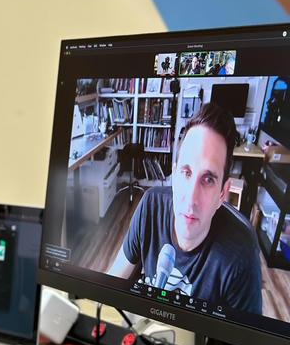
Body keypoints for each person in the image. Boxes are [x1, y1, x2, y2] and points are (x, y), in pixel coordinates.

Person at [107, 102, 262, 317]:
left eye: (208, 179)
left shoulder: (241, 255)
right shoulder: (150, 205)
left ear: (222, 194)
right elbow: (115, 278)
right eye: (186, 172)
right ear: (174, 176)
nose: (190, 199)